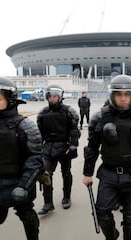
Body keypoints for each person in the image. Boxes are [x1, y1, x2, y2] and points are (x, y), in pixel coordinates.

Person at [82, 74, 131, 240]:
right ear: (112, 95)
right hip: (108, 174)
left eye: (127, 95)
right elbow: (92, 148)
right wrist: (87, 173)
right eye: (119, 94)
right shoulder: (99, 118)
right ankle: (113, 236)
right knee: (101, 212)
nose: (123, 98)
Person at [0, 77, 44, 240]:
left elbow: (35, 160)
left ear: (10, 99)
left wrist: (24, 186)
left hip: (16, 184)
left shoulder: (26, 126)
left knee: (27, 216)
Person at [37, 84, 80, 214]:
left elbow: (74, 130)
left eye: (55, 96)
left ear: (60, 97)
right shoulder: (43, 113)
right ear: (47, 97)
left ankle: (66, 197)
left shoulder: (69, 111)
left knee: (66, 173)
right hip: (48, 148)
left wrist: (73, 146)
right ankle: (48, 203)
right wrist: (38, 148)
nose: (53, 99)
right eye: (51, 96)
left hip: (64, 147)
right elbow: (39, 133)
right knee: (46, 175)